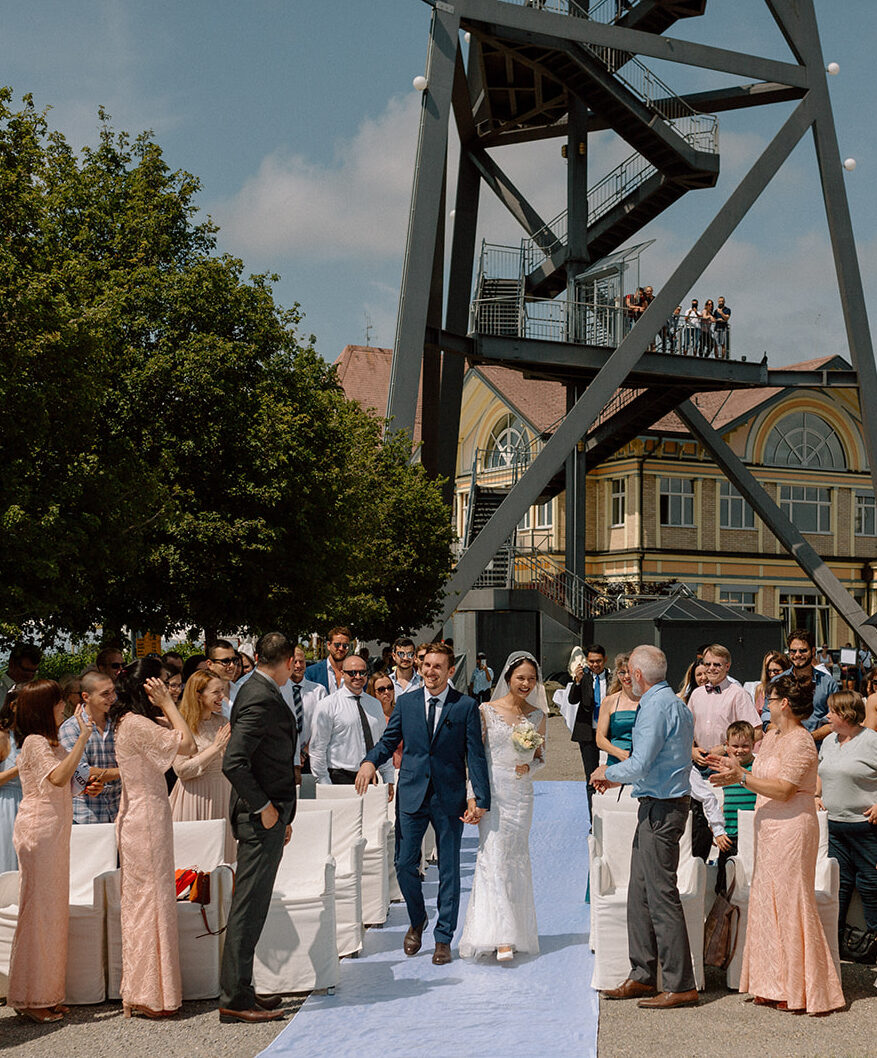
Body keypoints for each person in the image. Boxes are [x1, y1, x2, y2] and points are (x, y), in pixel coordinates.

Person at [708, 675, 845, 1014]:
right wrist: (734, 770)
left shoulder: (801, 741)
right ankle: (770, 983)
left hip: (793, 827)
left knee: (790, 901)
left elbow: (784, 789)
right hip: (767, 827)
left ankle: (800, 986)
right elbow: (760, 778)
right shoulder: (769, 737)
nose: (766, 705)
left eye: (769, 700)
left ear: (784, 703)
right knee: (767, 902)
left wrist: (742, 777)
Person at [356, 642, 490, 967]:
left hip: (449, 797)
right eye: (426, 665)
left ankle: (444, 938)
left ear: (450, 670)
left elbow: (474, 755)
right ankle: (417, 920)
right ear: (420, 667)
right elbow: (389, 741)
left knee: (449, 869)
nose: (430, 672)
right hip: (412, 792)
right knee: (403, 864)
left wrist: (480, 798)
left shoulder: (465, 707)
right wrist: (370, 762)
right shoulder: (407, 703)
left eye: (437, 666)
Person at [591, 645, 699, 1009]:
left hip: (662, 809)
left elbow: (639, 763)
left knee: (659, 895)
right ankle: (643, 973)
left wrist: (608, 772)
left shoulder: (655, 707)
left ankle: (680, 982)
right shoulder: (675, 703)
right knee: (640, 894)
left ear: (637, 675)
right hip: (658, 805)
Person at [111, 658, 196, 1019]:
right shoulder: (138, 725)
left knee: (145, 902)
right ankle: (150, 993)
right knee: (151, 903)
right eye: (163, 682)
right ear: (148, 686)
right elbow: (189, 745)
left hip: (143, 815)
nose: (171, 687)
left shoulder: (132, 722)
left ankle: (141, 991)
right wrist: (167, 704)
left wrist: (164, 709)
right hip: (145, 819)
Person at [219, 632, 297, 1023]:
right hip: (258, 817)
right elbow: (234, 762)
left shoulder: (257, 689)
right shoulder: (260, 696)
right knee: (248, 908)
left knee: (254, 907)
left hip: (269, 815)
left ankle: (243, 988)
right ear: (285, 660)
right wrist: (266, 808)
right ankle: (234, 997)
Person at [7, 680, 93, 1022]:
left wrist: (87, 784)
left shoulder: (50, 741)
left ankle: (47, 991)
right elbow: (56, 778)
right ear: (44, 707)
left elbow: (67, 782)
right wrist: (83, 739)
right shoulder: (34, 742)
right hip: (40, 831)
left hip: (55, 829)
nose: (64, 706)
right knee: (39, 914)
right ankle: (29, 997)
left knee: (53, 913)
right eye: (59, 702)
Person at [460, 652, 545, 962]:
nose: (525, 683)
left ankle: (516, 932)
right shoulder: (486, 711)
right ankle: (498, 935)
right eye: (520, 677)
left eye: (531, 679)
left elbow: (541, 757)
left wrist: (529, 768)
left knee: (515, 858)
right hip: (492, 794)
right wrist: (473, 796)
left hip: (521, 796)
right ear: (508, 677)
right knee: (492, 856)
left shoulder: (537, 716)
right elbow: (475, 757)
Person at [816, 690, 877, 960]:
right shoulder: (829, 741)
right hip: (835, 827)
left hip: (866, 828)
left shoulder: (872, 741)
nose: (827, 716)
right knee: (838, 887)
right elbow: (821, 772)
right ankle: (834, 947)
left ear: (846, 714)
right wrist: (817, 795)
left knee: (872, 885)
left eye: (832, 711)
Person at [687, 644, 761, 860]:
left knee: (724, 827)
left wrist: (725, 748)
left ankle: (725, 880)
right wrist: (691, 749)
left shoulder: (738, 694)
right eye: (707, 664)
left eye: (717, 665)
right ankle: (700, 878)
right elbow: (686, 731)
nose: (711, 668)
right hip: (698, 768)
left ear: (727, 666)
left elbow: (756, 731)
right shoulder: (696, 695)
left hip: (726, 769)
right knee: (699, 828)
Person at [169, 670, 235, 863]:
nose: (221, 697)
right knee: (194, 860)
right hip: (193, 795)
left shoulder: (222, 722)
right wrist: (215, 748)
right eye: (216, 692)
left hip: (222, 793)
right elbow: (181, 770)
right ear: (199, 694)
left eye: (222, 691)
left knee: (223, 858)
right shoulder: (181, 725)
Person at [310, 656, 394, 789]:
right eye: (352, 673)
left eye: (362, 672)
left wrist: (388, 779)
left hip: (371, 778)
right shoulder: (327, 705)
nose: (358, 676)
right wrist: (325, 784)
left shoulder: (375, 704)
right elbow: (317, 750)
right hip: (339, 779)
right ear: (343, 674)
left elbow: (383, 744)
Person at [59, 670, 122, 824]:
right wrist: (125, 771)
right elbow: (82, 772)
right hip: (85, 815)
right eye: (105, 694)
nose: (112, 698)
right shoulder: (71, 728)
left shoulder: (119, 723)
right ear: (86, 697)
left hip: (120, 811)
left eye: (113, 692)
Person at [762, 628, 838, 742]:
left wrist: (809, 737)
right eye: (793, 651)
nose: (797, 655)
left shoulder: (828, 683)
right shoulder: (777, 682)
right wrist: (788, 736)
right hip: (784, 746)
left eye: (803, 651)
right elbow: (766, 717)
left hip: (817, 748)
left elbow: (836, 718)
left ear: (813, 651)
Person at [714, 721, 757, 893]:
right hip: (730, 836)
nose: (740, 750)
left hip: (753, 836)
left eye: (745, 746)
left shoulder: (758, 768)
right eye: (735, 746)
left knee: (749, 885)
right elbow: (723, 803)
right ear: (727, 746)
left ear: (753, 744)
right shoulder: (722, 770)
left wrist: (740, 772)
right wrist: (717, 830)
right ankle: (723, 920)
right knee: (724, 887)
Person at [568, 644, 611, 820]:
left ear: (604, 660)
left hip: (609, 732)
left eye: (598, 661)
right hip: (587, 732)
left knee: (612, 772)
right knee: (591, 776)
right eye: (591, 661)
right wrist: (577, 682)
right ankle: (594, 818)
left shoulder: (613, 677)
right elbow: (572, 700)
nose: (595, 665)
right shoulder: (584, 677)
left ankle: (610, 813)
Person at [596, 652, 639, 765]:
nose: (626, 677)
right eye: (622, 672)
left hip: (643, 760)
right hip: (616, 761)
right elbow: (600, 739)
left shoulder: (649, 700)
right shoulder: (609, 701)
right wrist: (620, 753)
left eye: (630, 672)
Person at [0, 689, 22, 871]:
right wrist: (19, 768)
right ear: (13, 706)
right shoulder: (2, 736)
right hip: (7, 805)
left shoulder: (31, 734)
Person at [305, 626, 352, 694]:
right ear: (328, 645)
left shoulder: (355, 673)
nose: (341, 648)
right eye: (337, 645)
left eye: (345, 646)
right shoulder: (312, 673)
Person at [745, 651, 791, 715]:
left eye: (776, 671)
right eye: (769, 670)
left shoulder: (791, 689)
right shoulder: (761, 689)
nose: (772, 674)